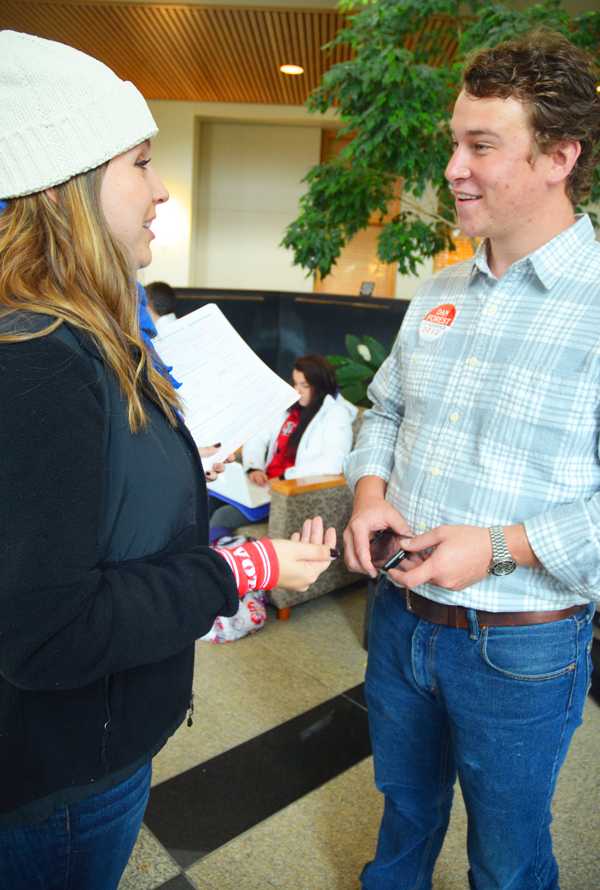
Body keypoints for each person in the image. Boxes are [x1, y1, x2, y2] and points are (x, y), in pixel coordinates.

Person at [0, 31, 337, 889]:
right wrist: (246, 566)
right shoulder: (39, 354)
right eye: (141, 163)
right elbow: (48, 631)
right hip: (59, 781)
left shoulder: (77, 338)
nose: (160, 190)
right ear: (69, 184)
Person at [343, 29, 600, 890]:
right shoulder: (441, 292)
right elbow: (384, 409)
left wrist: (494, 548)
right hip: (400, 621)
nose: (453, 166)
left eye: (481, 145)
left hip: (521, 649)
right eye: (455, 142)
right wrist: (371, 495)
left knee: (508, 855)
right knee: (403, 814)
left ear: (560, 155)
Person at [209, 354, 357, 539]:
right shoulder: (291, 409)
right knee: (208, 499)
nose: (297, 391)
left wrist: (285, 477)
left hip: (287, 494)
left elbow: (333, 463)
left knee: (222, 516)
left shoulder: (335, 415)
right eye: (295, 384)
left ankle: (219, 560)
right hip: (263, 486)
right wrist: (254, 467)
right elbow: (258, 436)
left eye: (304, 385)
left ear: (320, 386)